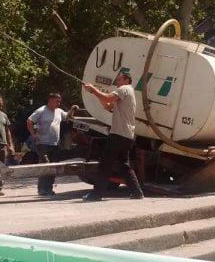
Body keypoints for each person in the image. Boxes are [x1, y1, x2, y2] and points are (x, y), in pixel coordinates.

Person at [81, 71, 144, 201]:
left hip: (119, 133)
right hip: (127, 135)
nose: (117, 82)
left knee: (105, 163)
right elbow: (108, 105)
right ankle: (137, 192)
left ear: (127, 80)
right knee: (123, 164)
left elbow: (108, 98)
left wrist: (93, 89)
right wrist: (95, 93)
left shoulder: (124, 89)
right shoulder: (128, 93)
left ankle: (97, 194)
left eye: (119, 79)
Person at [27, 93, 78, 196]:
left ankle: (48, 188)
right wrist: (33, 134)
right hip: (43, 143)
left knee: (53, 166)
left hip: (55, 144)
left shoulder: (58, 111)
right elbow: (29, 121)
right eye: (56, 101)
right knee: (45, 164)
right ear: (50, 100)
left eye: (59, 101)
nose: (58, 103)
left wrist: (72, 109)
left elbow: (67, 116)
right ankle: (42, 189)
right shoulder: (41, 110)